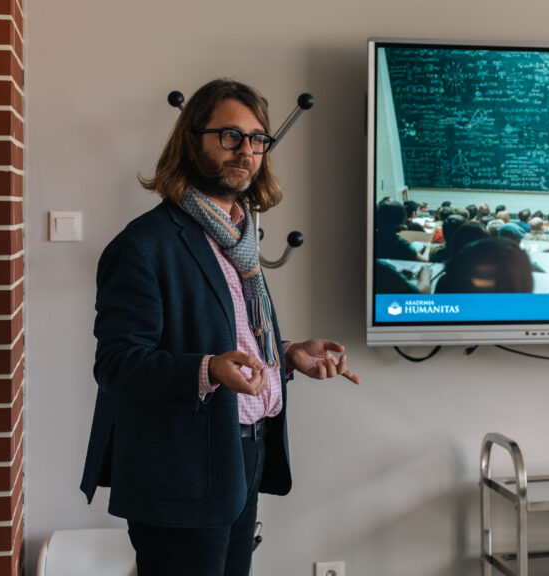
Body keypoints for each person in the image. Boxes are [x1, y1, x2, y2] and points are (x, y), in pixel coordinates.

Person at [80, 79, 360, 576]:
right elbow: (117, 365)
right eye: (230, 135)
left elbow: (233, 335)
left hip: (240, 457)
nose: (246, 150)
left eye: (256, 139)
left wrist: (289, 352)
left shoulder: (239, 238)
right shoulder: (145, 245)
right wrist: (208, 370)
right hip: (179, 472)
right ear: (193, 141)